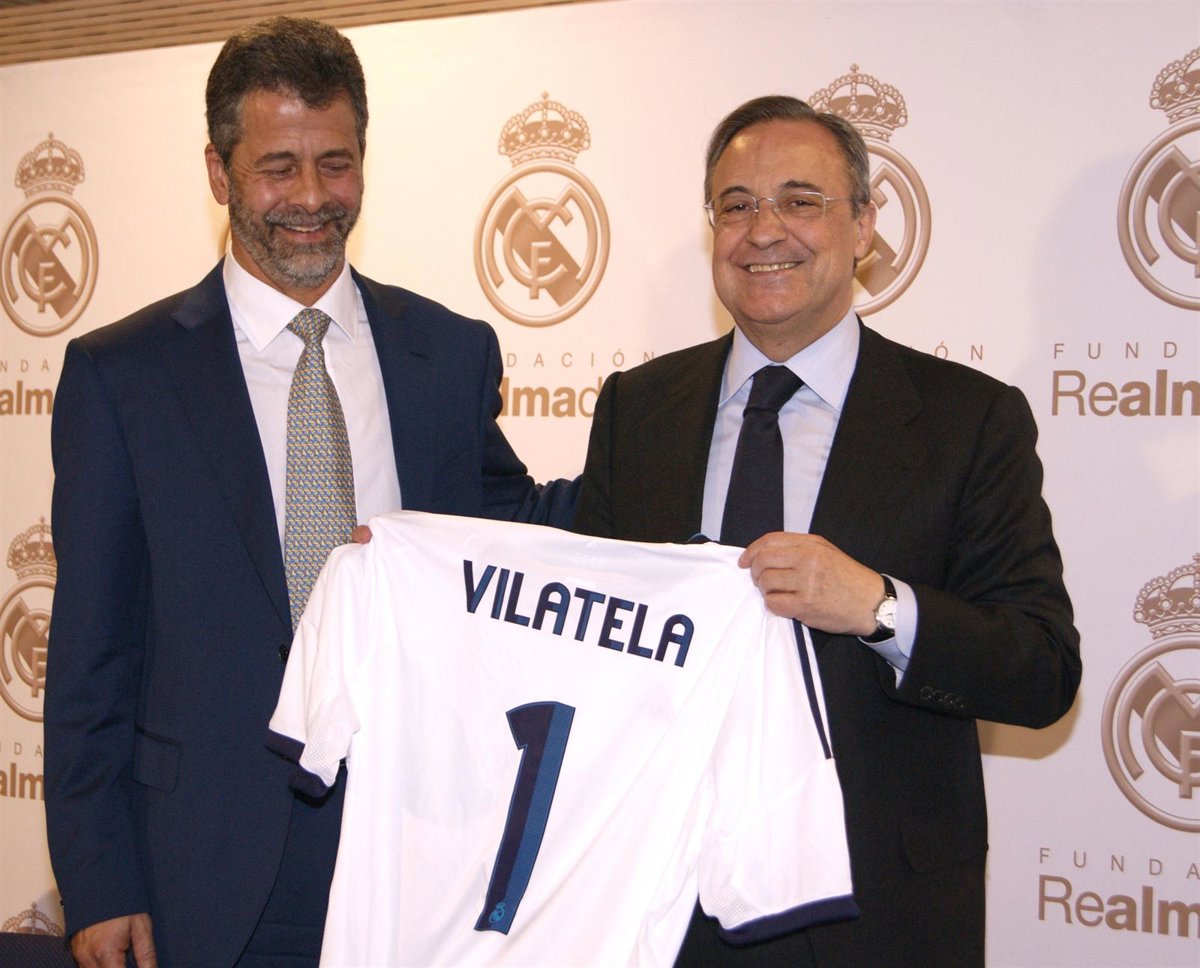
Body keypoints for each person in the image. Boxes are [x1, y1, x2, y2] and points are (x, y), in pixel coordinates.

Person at [44, 17, 573, 968]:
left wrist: (682, 449)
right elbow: (90, 655)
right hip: (208, 861)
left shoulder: (448, 354)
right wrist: (100, 880)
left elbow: (514, 532)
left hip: (417, 847)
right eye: (277, 167)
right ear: (219, 173)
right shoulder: (123, 374)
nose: (313, 198)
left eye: (336, 164)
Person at [573, 95, 1081, 968]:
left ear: (865, 227)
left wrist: (879, 607)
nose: (764, 230)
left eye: (800, 201)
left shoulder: (969, 420)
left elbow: (1041, 670)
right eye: (736, 205)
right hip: (662, 902)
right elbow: (581, 634)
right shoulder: (636, 409)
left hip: (875, 909)